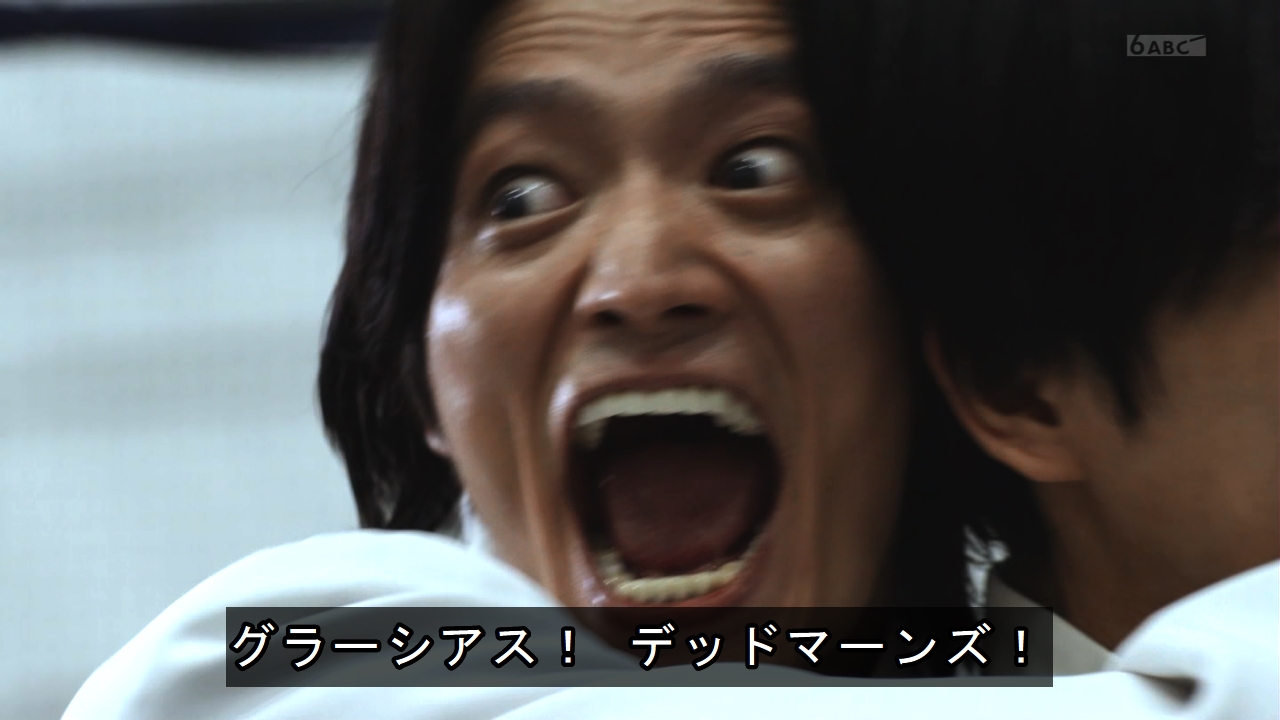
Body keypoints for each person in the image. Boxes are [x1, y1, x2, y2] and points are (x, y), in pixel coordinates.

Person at [62, 0, 981, 717]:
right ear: (419, 379)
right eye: (522, 197)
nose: (637, 282)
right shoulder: (283, 672)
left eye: (755, 170)